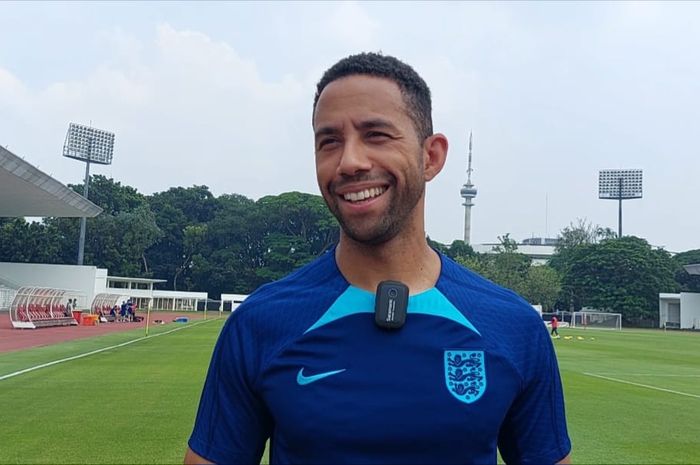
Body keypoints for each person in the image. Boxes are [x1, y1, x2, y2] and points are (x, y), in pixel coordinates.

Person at [185, 52, 571, 464]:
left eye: (376, 135)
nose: (349, 161)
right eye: (329, 141)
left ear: (431, 157)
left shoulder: (513, 326)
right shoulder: (261, 322)